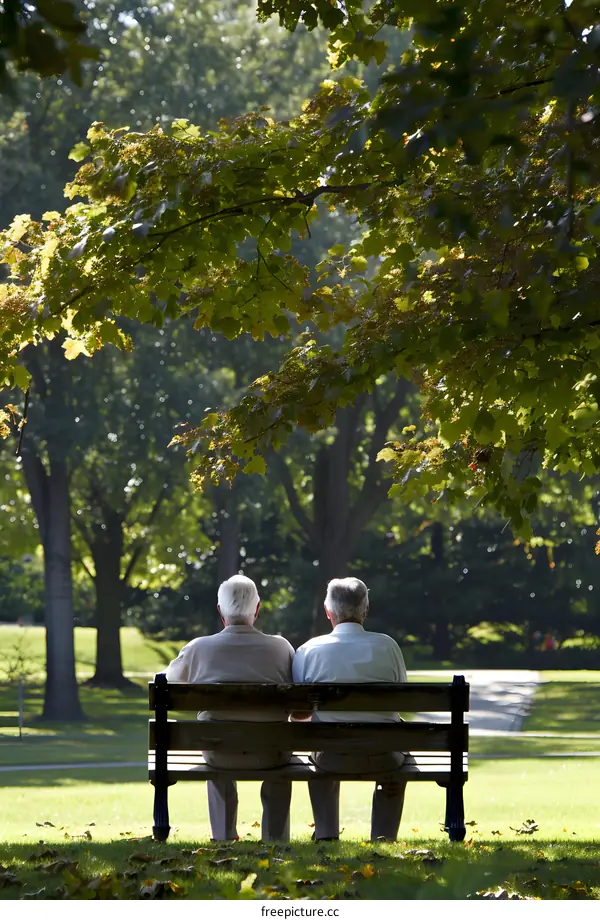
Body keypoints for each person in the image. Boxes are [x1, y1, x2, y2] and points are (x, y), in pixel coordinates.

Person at [166, 574, 295, 842]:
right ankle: (275, 840)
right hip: (272, 755)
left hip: (219, 754)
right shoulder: (281, 648)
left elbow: (167, 687)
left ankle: (224, 836)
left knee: (215, 735)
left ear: (220, 611)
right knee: (279, 740)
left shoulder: (198, 648)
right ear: (257, 610)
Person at [293, 577, 408, 842]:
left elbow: (298, 709)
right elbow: (401, 699)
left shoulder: (309, 651)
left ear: (327, 611)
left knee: (319, 749)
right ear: (365, 609)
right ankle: (384, 837)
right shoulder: (388, 646)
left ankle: (326, 834)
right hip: (384, 755)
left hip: (331, 757)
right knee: (397, 750)